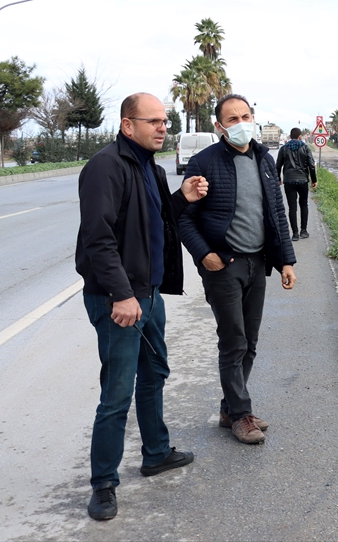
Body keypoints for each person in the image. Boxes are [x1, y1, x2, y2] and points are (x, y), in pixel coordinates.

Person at [76, 92, 210, 521]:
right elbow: (98, 238)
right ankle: (103, 485)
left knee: (154, 375)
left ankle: (155, 453)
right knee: (117, 392)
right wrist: (121, 294)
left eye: (165, 122)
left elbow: (151, 219)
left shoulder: (147, 167)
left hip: (149, 297)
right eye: (152, 121)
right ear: (126, 124)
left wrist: (181, 197)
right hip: (120, 299)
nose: (162, 128)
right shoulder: (105, 166)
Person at [179, 94, 297, 445]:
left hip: (257, 263)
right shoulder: (204, 162)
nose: (241, 122)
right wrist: (205, 255)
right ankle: (240, 413)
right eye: (232, 119)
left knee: (251, 342)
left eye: (246, 115)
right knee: (234, 341)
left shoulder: (264, 158)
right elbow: (185, 220)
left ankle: (231, 408)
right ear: (219, 126)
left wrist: (286, 260)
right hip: (223, 266)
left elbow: (277, 213)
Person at [276, 127, 317, 241]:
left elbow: (278, 165)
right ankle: (303, 231)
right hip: (303, 180)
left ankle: (294, 234)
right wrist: (314, 180)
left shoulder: (284, 148)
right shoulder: (305, 147)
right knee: (304, 204)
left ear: (290, 136)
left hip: (289, 181)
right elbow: (311, 165)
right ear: (300, 136)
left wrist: (278, 178)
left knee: (292, 208)